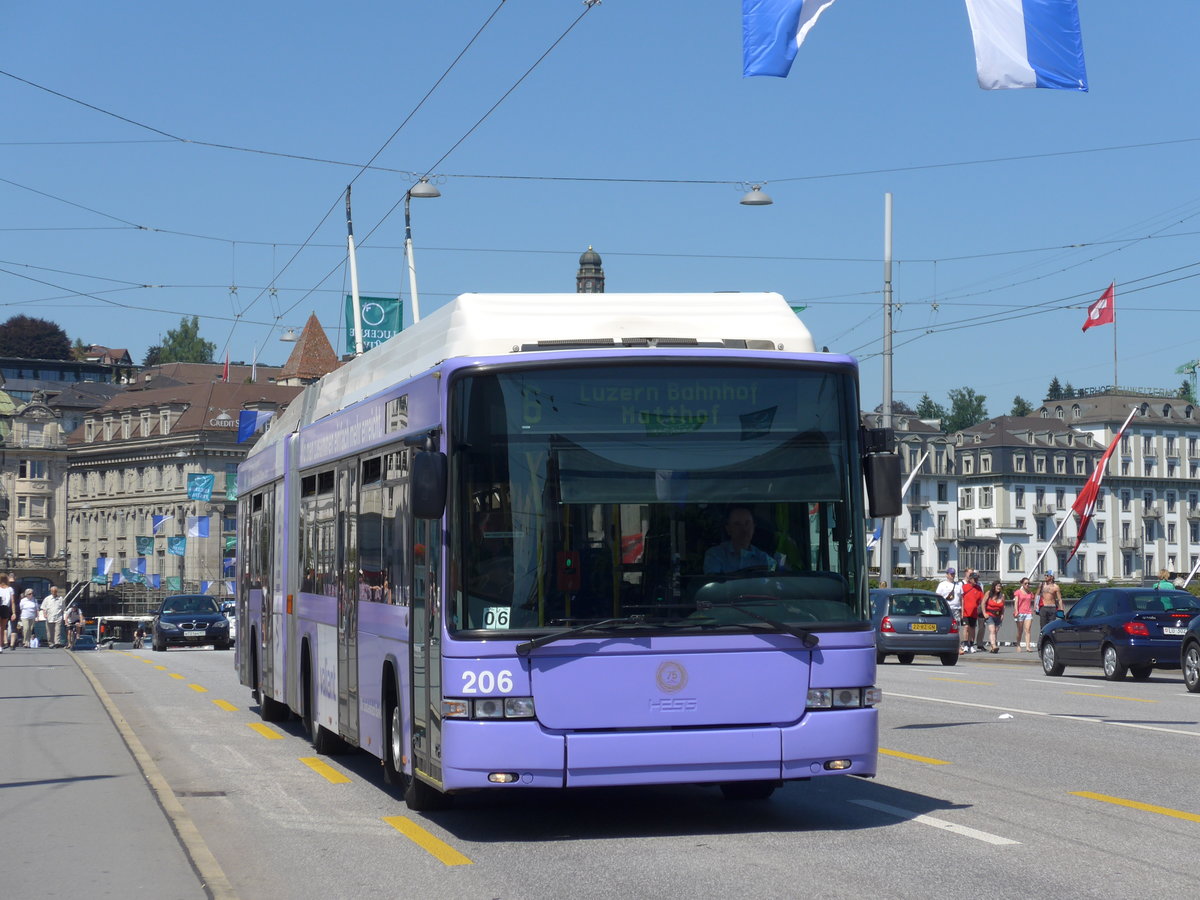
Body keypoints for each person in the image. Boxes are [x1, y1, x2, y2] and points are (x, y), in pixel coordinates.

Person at [703, 505, 774, 574]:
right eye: (737, 524)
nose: (744, 529)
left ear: (753, 527)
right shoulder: (715, 555)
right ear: (728, 529)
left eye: (747, 523)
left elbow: (776, 574)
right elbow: (713, 580)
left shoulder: (763, 558)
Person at [960, 570, 984, 653]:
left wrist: (983, 610)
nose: (976, 580)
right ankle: (965, 644)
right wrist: (961, 611)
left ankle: (971, 644)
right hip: (966, 611)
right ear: (970, 579)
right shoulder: (964, 587)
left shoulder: (978, 588)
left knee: (972, 628)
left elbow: (982, 600)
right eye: (974, 579)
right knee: (966, 627)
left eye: (977, 579)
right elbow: (961, 599)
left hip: (974, 612)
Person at [1013, 577, 1036, 651]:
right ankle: (1018, 645)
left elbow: (1035, 599)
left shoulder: (1030, 593)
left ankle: (1028, 647)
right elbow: (1016, 602)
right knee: (1020, 630)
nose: (1027, 585)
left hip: (1028, 612)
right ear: (1022, 584)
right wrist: (1016, 611)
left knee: (1028, 630)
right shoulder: (1018, 592)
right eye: (1025, 583)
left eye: (1028, 583)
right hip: (1020, 613)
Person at [983, 581, 1006, 653]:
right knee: (992, 630)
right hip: (989, 614)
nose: (999, 587)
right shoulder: (989, 593)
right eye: (997, 586)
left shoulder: (1002, 595)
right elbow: (983, 603)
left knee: (995, 631)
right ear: (994, 586)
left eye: (1000, 586)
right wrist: (984, 613)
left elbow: (1003, 606)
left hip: (998, 615)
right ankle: (994, 645)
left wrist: (1002, 614)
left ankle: (992, 648)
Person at [0, 574, 11, 653]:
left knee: (2, 629)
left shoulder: (9, 589)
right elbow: (11, 601)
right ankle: (0, 646)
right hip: (5, 607)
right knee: (2, 629)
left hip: (4, 607)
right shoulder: (9, 589)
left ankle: (0, 645)